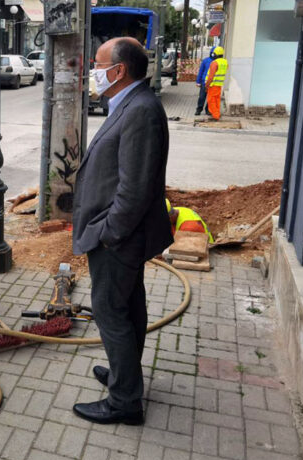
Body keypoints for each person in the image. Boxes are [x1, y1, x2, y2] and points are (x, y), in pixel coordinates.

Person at [72, 37, 173, 425]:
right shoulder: (129, 103)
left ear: (118, 71)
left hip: (118, 236)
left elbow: (135, 188)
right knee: (129, 307)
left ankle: (124, 401)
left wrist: (110, 233)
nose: (93, 71)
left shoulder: (141, 111)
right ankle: (124, 375)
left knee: (110, 310)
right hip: (118, 233)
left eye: (98, 64)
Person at [205, 46, 228, 120]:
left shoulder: (214, 63)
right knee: (217, 100)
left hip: (213, 85)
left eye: (213, 54)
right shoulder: (225, 62)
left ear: (215, 54)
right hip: (219, 85)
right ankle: (217, 113)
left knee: (211, 101)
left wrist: (206, 85)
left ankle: (215, 116)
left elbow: (210, 77)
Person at [195, 47, 216, 116]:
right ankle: (199, 109)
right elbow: (201, 71)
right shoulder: (205, 61)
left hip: (213, 83)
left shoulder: (218, 62)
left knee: (210, 98)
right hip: (205, 82)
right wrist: (198, 81)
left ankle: (208, 110)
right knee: (202, 97)